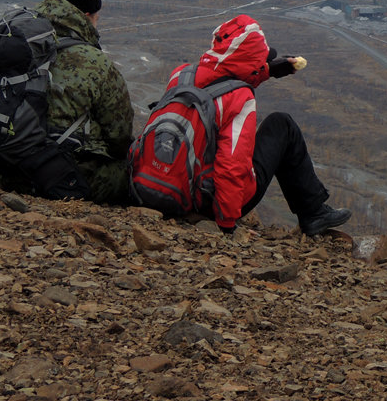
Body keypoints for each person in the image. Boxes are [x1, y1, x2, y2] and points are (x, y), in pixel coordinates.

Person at [149, 14, 350, 236]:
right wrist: (227, 224)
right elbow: (231, 165)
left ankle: (313, 213)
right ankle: (314, 213)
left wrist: (268, 70)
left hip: (162, 183)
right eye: (261, 58)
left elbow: (221, 78)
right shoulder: (241, 98)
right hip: (205, 199)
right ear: (251, 60)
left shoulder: (181, 75)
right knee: (281, 125)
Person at [36, 0, 134, 204]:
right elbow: (119, 135)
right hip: (63, 178)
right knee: (136, 169)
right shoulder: (93, 61)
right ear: (87, 16)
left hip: (10, 165)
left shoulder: (21, 40)